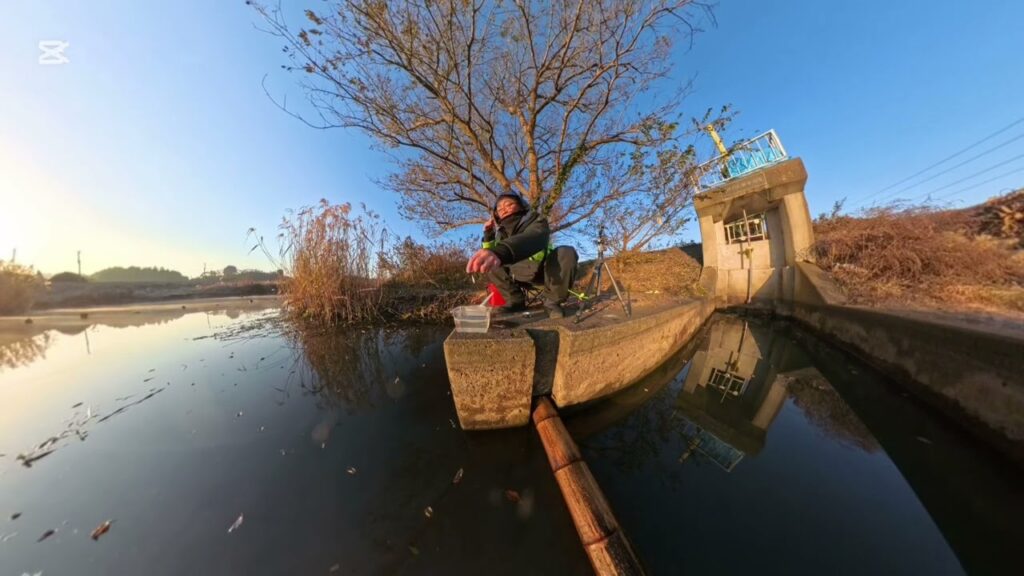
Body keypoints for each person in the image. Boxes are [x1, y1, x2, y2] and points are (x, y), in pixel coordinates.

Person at [465, 193, 578, 318]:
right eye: (500, 209)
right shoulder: (500, 232)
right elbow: (491, 254)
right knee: (491, 262)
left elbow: (534, 237)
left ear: (521, 206)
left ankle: (552, 303)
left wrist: (501, 252)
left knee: (566, 251)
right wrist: (488, 235)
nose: (504, 210)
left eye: (509, 205)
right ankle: (514, 301)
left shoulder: (537, 220)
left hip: (543, 272)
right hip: (515, 275)